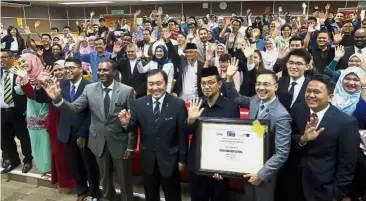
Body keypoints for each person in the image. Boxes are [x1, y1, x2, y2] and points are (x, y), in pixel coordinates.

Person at [43, 59, 137, 201]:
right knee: (104, 179)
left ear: (114, 72)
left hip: (119, 143)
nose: (101, 73)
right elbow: (75, 108)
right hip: (98, 142)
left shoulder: (126, 91)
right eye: (99, 70)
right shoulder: (90, 89)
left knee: (124, 181)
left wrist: (130, 146)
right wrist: (58, 100)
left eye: (105, 70)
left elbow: (133, 121)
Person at [221, 59, 292, 201]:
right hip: (248, 164)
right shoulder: (255, 100)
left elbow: (282, 153)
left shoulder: (282, 116)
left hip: (265, 172)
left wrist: (261, 174)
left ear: (276, 87)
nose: (261, 88)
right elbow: (235, 97)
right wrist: (229, 78)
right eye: (258, 84)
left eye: (266, 84)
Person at [118, 69, 188, 201]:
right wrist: (126, 124)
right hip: (148, 160)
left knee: (173, 196)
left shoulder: (178, 104)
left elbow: (182, 133)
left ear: (166, 84)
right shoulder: (140, 103)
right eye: (151, 84)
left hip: (170, 160)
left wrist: (182, 159)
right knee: (150, 195)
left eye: (158, 83)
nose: (155, 88)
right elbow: (133, 128)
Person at [291, 74, 360, 201]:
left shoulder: (346, 123)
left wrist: (336, 194)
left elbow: (347, 164)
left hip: (324, 189)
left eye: (317, 92)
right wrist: (303, 140)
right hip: (294, 185)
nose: (311, 95)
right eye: (308, 91)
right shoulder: (298, 110)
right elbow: (291, 139)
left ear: (330, 97)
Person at [185, 67, 240, 201]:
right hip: (197, 165)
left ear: (219, 84)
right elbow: (186, 131)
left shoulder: (231, 106)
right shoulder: (196, 104)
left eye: (210, 83)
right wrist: (191, 120)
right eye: (203, 83)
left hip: (219, 168)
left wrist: (225, 167)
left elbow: (234, 137)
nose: (206, 87)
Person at [1, 49, 33, 174]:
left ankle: (28, 160)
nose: (1, 60)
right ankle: (12, 161)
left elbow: (27, 92)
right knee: (5, 138)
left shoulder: (20, 73)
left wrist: (26, 110)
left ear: (12, 58)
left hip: (18, 111)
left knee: (24, 138)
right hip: (2, 111)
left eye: (4, 57)